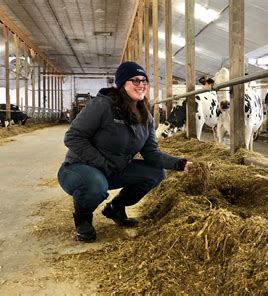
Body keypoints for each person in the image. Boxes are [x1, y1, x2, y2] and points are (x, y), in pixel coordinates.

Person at [57, 61, 191, 242]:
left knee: (155, 173)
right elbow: (73, 137)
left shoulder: (146, 117)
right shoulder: (103, 105)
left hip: (113, 170)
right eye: (135, 80)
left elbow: (151, 153)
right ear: (122, 84)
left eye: (144, 81)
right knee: (96, 185)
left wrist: (179, 163)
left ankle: (116, 208)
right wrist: (102, 164)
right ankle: (83, 219)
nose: (141, 84)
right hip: (79, 168)